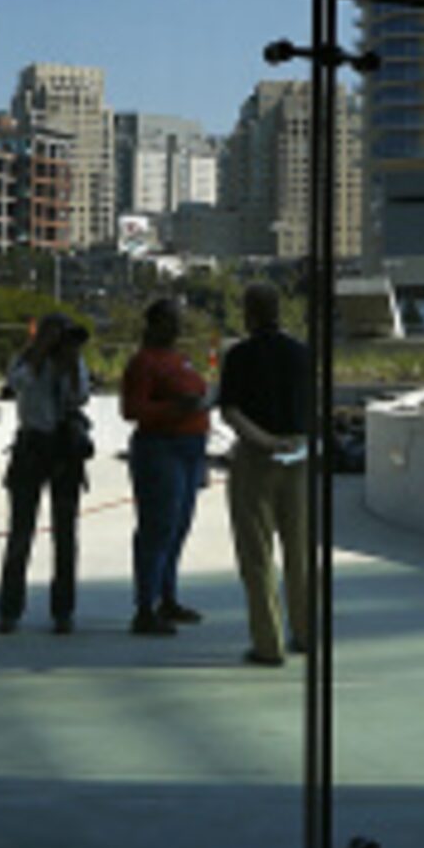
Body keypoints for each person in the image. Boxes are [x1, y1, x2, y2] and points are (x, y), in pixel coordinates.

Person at [217, 282, 316, 667]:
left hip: (257, 459)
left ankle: (268, 643)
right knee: (300, 552)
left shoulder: (239, 356)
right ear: (279, 310)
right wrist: (291, 442)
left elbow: (230, 412)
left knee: (257, 555)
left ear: (248, 312)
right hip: (299, 455)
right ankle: (306, 633)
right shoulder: (301, 354)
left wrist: (264, 441)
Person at [116, 296, 212, 635]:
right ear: (155, 324)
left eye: (178, 320)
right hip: (161, 448)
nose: (177, 326)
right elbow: (131, 410)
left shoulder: (180, 360)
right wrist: (176, 408)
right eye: (171, 320)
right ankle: (145, 606)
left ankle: (167, 597)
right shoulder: (143, 363)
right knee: (157, 527)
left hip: (191, 448)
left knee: (179, 526)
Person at [0, 312, 93, 635]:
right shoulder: (25, 360)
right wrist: (39, 353)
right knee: (21, 533)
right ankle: (9, 610)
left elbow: (80, 397)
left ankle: (63, 611)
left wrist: (71, 364)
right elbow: (16, 384)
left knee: (65, 535)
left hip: (64, 450)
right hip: (31, 447)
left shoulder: (71, 361)